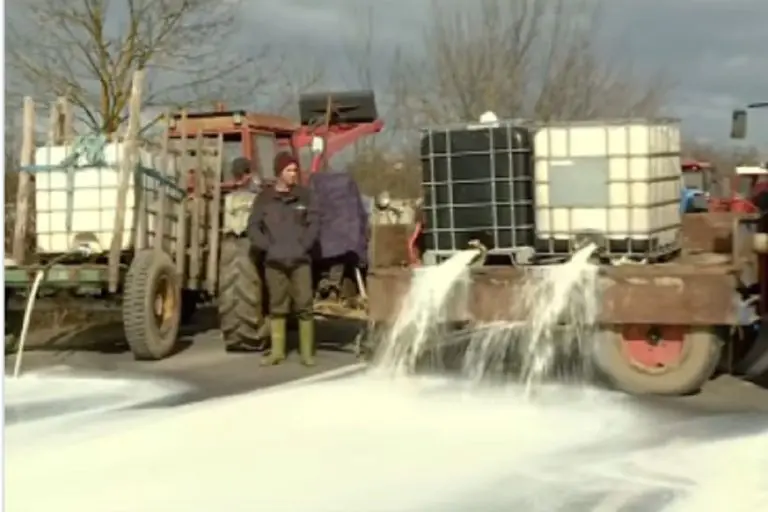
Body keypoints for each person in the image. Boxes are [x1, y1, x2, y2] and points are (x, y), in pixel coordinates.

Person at [247, 152, 319, 366]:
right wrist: (268, 248)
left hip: (300, 261)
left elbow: (314, 224)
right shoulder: (264, 198)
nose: (294, 174)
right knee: (277, 307)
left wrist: (303, 246)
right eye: (289, 170)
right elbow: (253, 227)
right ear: (279, 172)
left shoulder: (305, 196)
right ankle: (277, 352)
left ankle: (307, 354)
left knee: (304, 306)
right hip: (275, 261)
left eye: (295, 170)